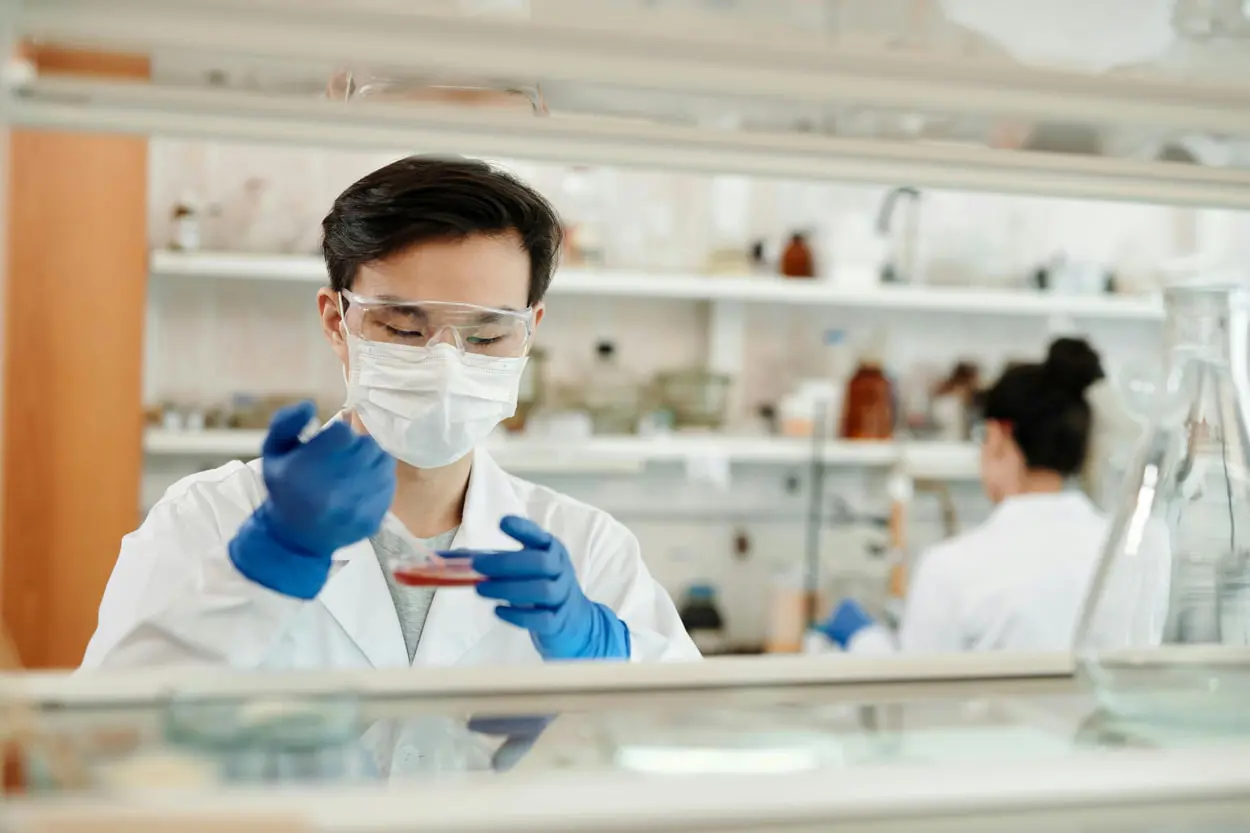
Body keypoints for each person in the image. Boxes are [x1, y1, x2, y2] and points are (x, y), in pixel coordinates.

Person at [83, 156, 700, 670]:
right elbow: (98, 743)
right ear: (337, 320)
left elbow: (700, 754)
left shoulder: (588, 550)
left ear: (531, 332)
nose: (446, 365)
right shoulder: (210, 518)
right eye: (405, 328)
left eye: (486, 337)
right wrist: (266, 568)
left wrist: (606, 651)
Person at [815, 337, 1170, 654]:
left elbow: (916, 699)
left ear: (998, 437)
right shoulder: (1145, 547)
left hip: (1001, 730)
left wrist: (864, 640)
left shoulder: (950, 568)